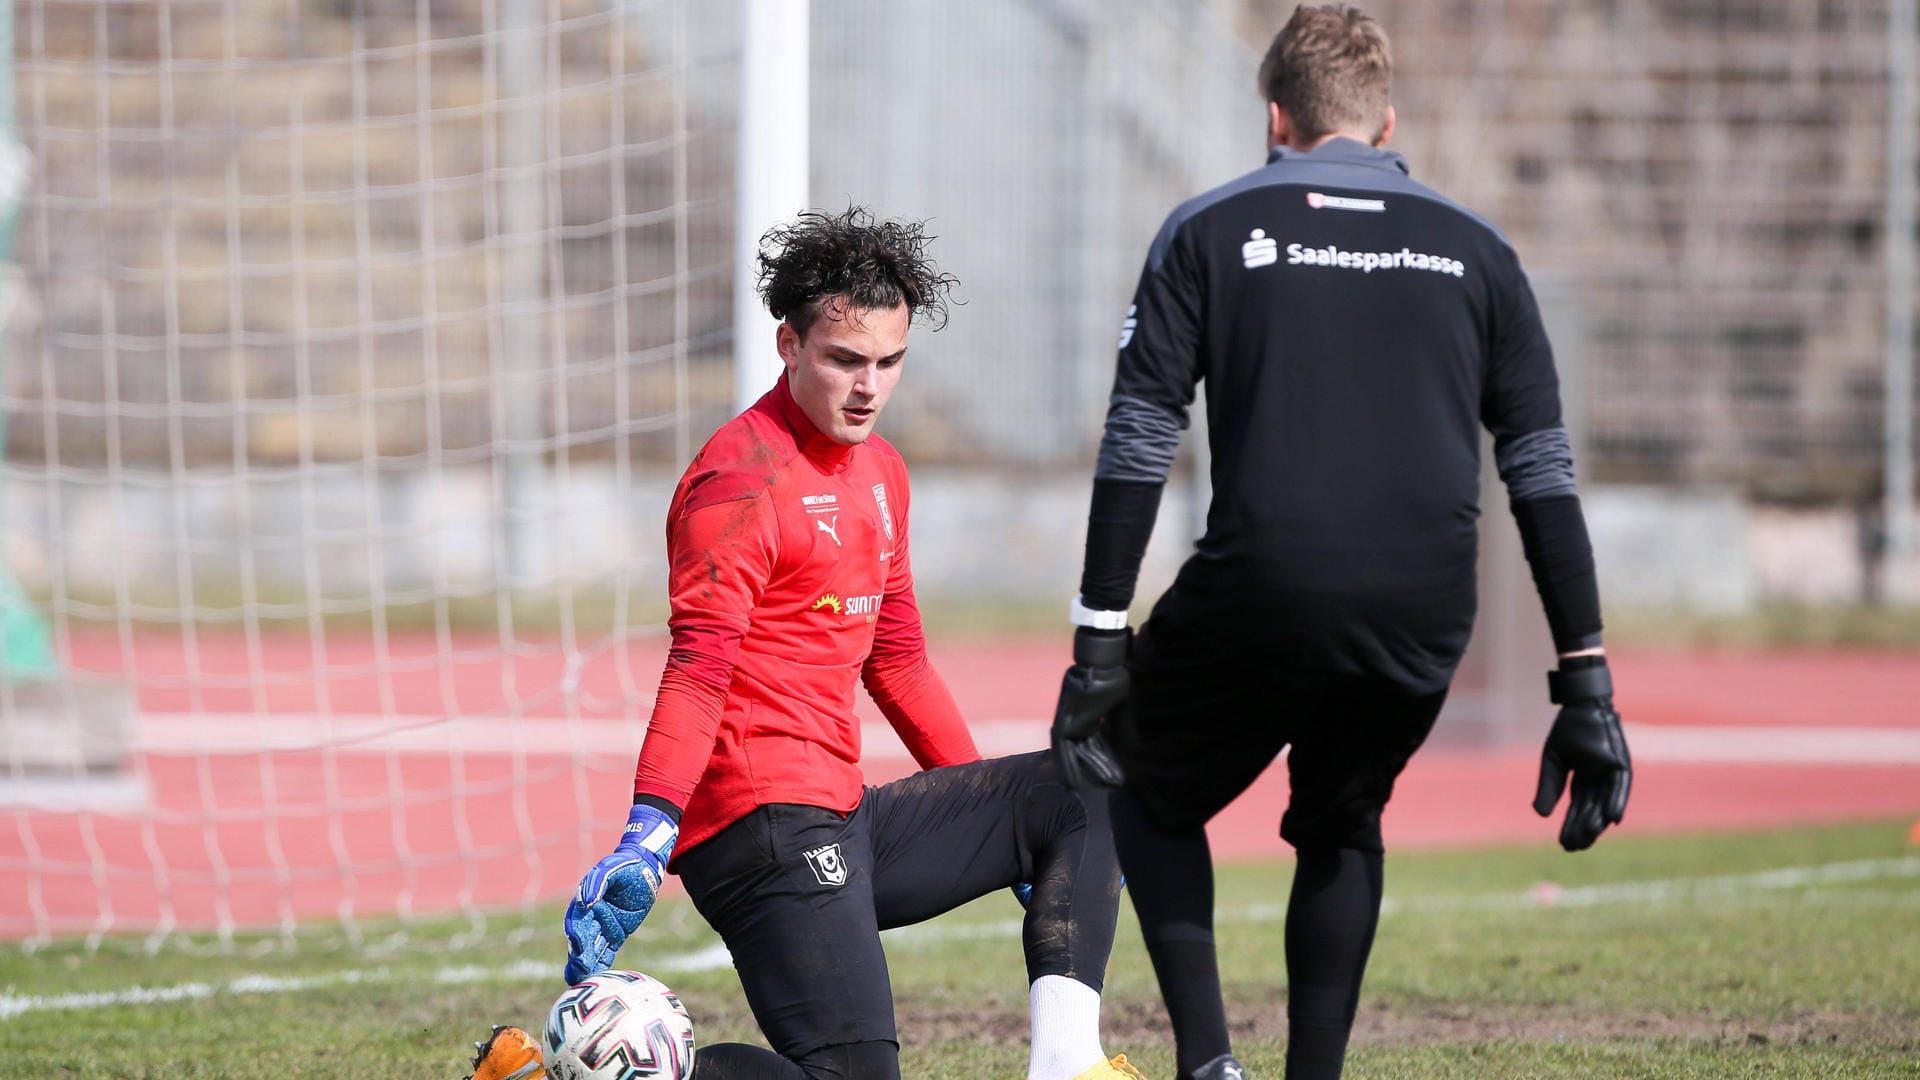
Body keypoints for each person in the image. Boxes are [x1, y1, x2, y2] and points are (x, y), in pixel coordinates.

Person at [1047, 7, 1632, 1080]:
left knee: (1133, 774)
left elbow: (1140, 434)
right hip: (1423, 610)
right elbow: (1541, 470)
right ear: (1389, 122)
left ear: (1275, 118)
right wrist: (1584, 680)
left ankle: (1210, 1063)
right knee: (1342, 819)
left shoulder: (1210, 227)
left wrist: (1099, 639)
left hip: (1262, 588)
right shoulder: (1481, 249)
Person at [469, 207, 1138, 1080]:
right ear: (789, 345)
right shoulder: (736, 480)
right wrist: (648, 831)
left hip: (844, 811)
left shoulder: (884, 475)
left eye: (889, 363)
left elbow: (896, 660)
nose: (868, 386)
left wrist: (989, 816)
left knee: (1082, 788)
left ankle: (1067, 1067)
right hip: (758, 826)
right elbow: (698, 670)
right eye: (844, 360)